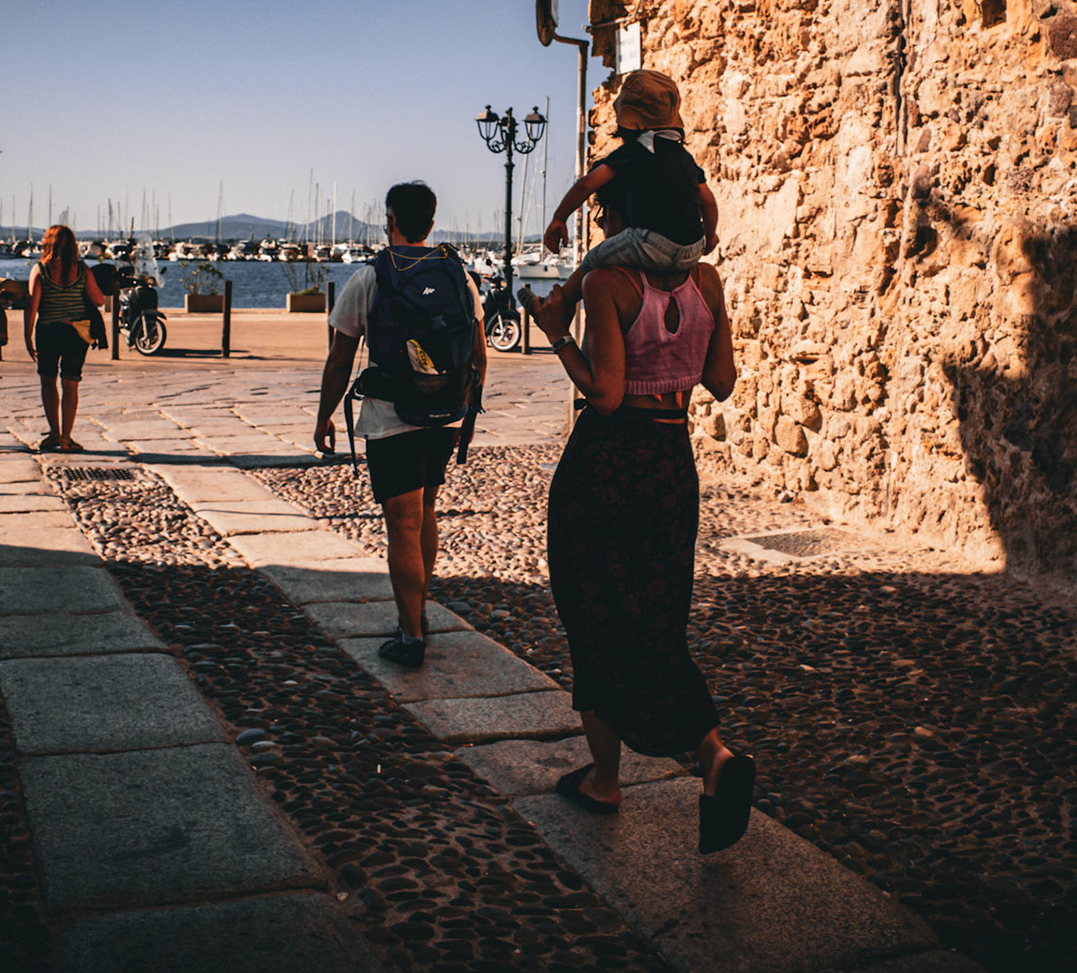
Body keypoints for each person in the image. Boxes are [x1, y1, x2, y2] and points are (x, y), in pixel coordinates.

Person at [524, 188, 753, 854]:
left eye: (603, 214)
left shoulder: (607, 283)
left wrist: (556, 338)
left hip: (608, 461)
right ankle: (713, 754)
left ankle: (605, 780)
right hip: (670, 461)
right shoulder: (706, 280)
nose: (599, 223)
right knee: (655, 615)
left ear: (624, 219)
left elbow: (605, 392)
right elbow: (724, 381)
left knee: (592, 610)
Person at [314, 182, 487, 668]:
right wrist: (469, 413)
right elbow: (478, 356)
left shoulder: (371, 278)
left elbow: (339, 360)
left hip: (393, 417)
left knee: (403, 524)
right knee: (426, 511)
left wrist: (324, 415)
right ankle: (419, 612)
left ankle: (410, 635)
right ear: (431, 223)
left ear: (389, 219)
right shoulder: (459, 276)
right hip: (445, 413)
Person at [538, 69, 718, 318]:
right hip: (692, 248)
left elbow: (585, 185)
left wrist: (559, 218)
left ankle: (558, 304)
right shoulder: (685, 158)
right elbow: (708, 202)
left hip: (653, 244)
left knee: (594, 258)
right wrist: (710, 237)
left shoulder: (634, 152)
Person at [23, 223, 109, 454]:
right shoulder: (82, 270)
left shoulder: (40, 269)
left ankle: (54, 433)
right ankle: (66, 437)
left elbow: (32, 305)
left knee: (48, 381)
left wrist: (27, 336)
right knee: (71, 383)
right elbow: (99, 300)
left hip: (48, 331)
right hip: (75, 334)